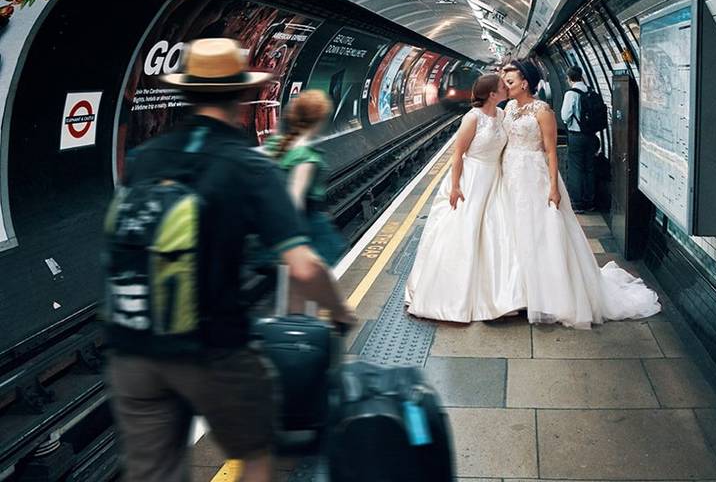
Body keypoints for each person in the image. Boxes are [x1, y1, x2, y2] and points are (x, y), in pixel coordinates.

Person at [104, 38, 355, 482]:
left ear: (184, 93)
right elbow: (302, 265)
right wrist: (338, 309)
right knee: (255, 451)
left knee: (151, 471)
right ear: (243, 95)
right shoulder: (247, 165)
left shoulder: (143, 159)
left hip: (133, 348)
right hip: (214, 348)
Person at [499, 60, 660, 329]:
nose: (506, 85)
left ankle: (549, 292)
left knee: (541, 232)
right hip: (511, 174)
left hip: (534, 175)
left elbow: (550, 151)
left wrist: (553, 187)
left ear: (525, 83)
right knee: (514, 230)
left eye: (511, 81)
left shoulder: (543, 111)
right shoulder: (510, 108)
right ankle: (520, 292)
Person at [405, 74, 523, 322]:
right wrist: (455, 187)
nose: (506, 88)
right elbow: (457, 154)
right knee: (464, 231)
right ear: (492, 94)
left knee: (495, 232)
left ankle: (498, 293)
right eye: (503, 86)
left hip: (495, 179)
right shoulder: (473, 118)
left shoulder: (501, 115)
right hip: (472, 179)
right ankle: (454, 296)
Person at [264, 90, 347, 266]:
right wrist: (298, 249)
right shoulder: (305, 157)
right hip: (307, 232)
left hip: (271, 230)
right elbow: (295, 203)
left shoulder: (274, 145)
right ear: (320, 121)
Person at [560, 66, 598, 213]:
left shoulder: (571, 94)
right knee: (589, 168)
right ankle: (590, 202)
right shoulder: (590, 90)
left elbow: (565, 115)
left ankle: (577, 203)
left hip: (576, 136)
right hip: (591, 136)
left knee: (575, 169)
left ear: (569, 79)